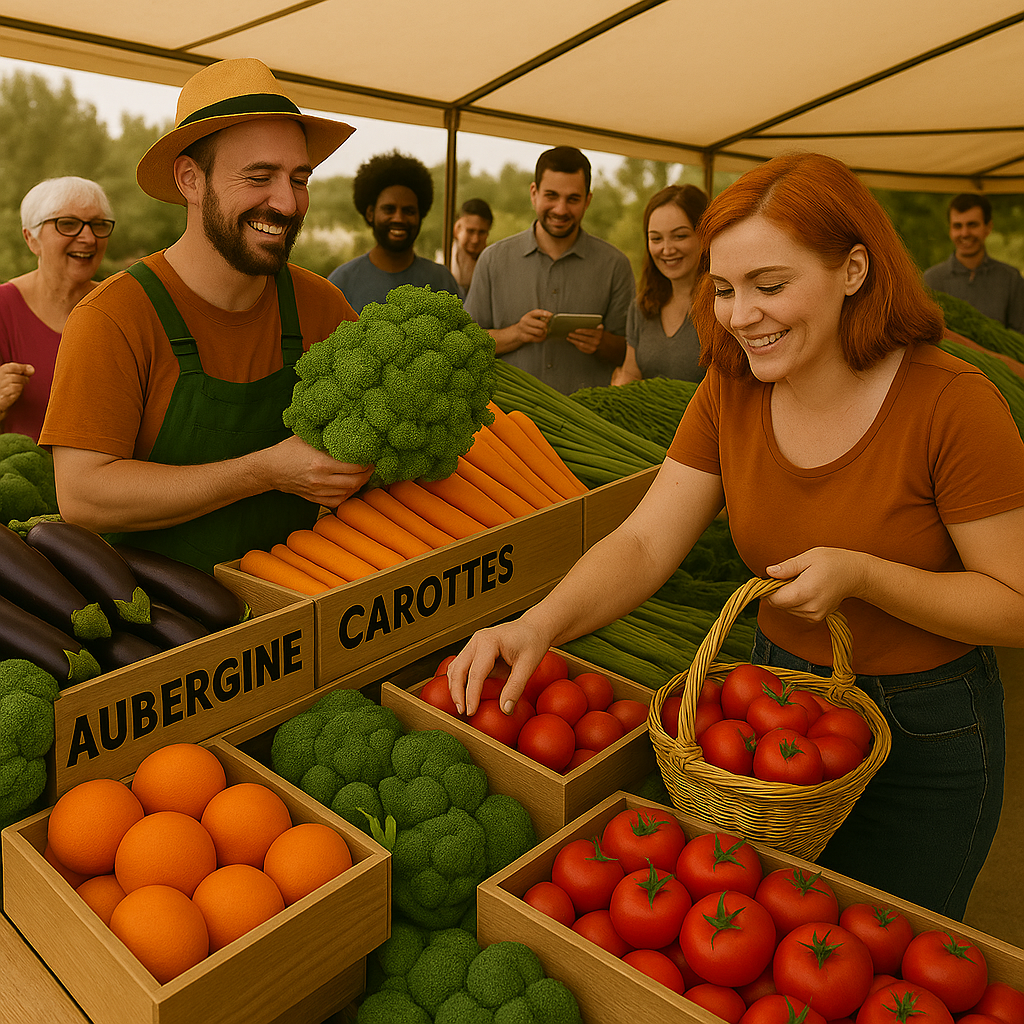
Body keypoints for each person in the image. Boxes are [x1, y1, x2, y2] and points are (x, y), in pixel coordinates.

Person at [448, 152, 1024, 920]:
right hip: (765, 706)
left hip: (924, 730)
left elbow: (1015, 602)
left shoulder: (952, 403)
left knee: (884, 965)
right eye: (722, 289)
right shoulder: (731, 388)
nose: (740, 314)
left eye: (770, 286)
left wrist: (865, 575)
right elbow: (648, 542)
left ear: (854, 269)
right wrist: (538, 625)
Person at [39, 57, 375, 574]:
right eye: (259, 177)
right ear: (191, 180)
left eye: (299, 178)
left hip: (306, 615)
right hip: (160, 628)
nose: (287, 202)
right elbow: (84, 497)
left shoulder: (323, 307)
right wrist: (263, 471)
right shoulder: (114, 317)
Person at [465, 146, 635, 394]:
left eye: (573, 199)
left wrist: (602, 343)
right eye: (551, 196)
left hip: (586, 422)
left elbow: (632, 351)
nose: (561, 209)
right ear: (534, 193)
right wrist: (516, 333)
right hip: (507, 420)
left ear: (588, 200)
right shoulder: (493, 260)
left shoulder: (615, 265)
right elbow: (465, 343)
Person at [0, 177, 114, 440]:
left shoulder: (123, 304)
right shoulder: (4, 308)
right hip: (24, 477)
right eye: (68, 224)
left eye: (98, 225)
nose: (88, 238)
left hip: (108, 477)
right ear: (32, 239)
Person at [327, 150, 461, 312]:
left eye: (409, 211)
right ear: (370, 213)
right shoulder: (341, 282)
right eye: (389, 209)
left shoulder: (441, 279)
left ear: (420, 215)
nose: (399, 218)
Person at [611, 183, 708, 386]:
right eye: (656, 238)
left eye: (680, 236)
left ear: (705, 235)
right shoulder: (642, 307)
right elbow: (631, 373)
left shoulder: (725, 305)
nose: (666, 249)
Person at [923, 193, 1024, 332]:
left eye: (972, 225)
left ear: (988, 227)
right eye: (957, 226)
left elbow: (1020, 339)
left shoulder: (1011, 279)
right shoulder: (931, 280)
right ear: (950, 230)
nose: (964, 233)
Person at [449, 198, 492, 292]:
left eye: (482, 232)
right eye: (470, 231)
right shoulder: (444, 261)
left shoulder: (492, 264)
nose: (475, 240)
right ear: (457, 229)